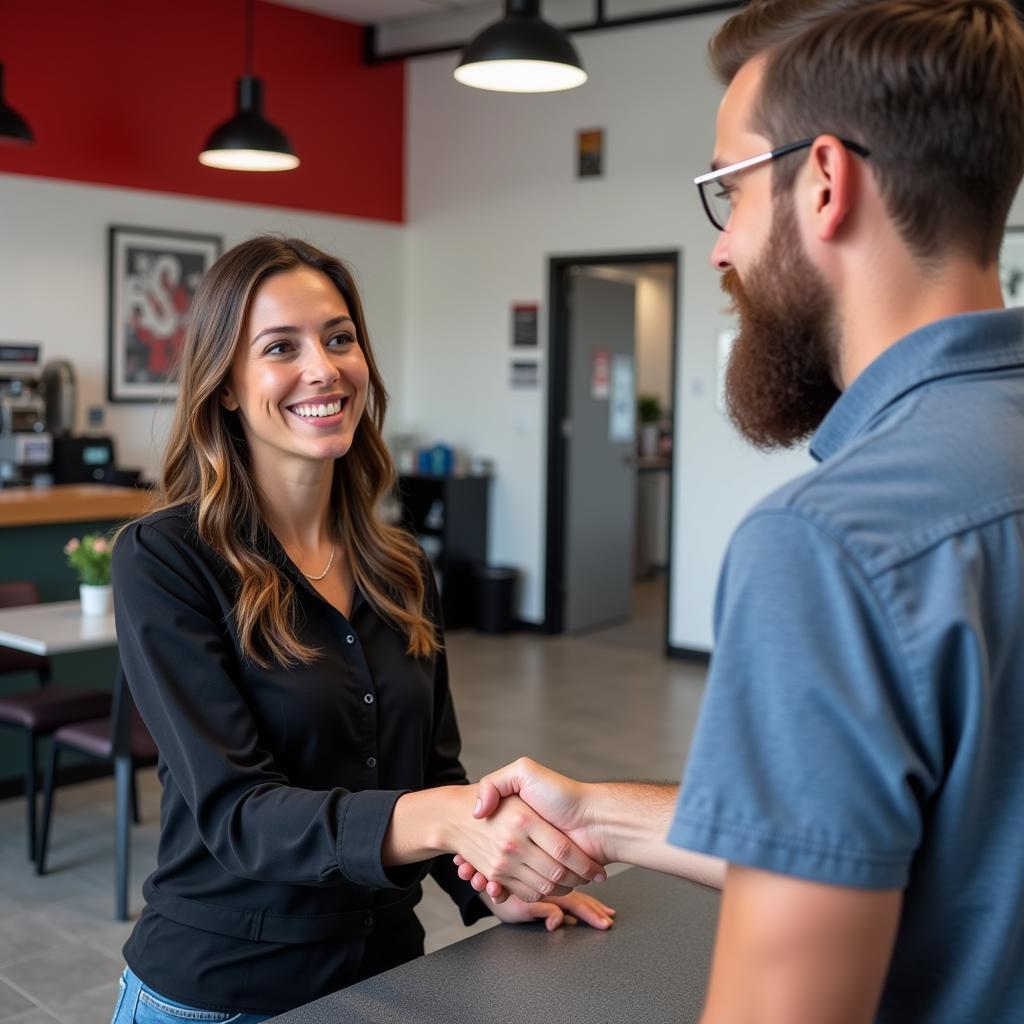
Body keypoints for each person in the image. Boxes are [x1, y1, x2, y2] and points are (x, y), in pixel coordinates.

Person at [455, 1, 1024, 1021]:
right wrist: (599, 815)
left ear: (822, 181)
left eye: (726, 189)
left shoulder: (835, 545)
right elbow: (935, 843)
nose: (718, 252)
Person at [109, 236, 614, 1024]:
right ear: (229, 387)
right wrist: (449, 819)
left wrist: (490, 884)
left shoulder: (399, 563)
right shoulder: (167, 558)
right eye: (281, 347)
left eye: (339, 337)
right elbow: (238, 811)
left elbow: (433, 767)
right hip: (224, 993)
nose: (324, 368)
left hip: (384, 981)